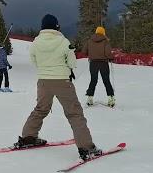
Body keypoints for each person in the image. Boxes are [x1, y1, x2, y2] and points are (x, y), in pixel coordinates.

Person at [16, 14, 102, 160]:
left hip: (43, 81)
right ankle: (86, 147)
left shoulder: (36, 42)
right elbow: (72, 63)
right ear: (57, 26)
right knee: (74, 113)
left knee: (40, 109)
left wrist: (45, 69)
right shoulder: (63, 42)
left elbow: (33, 60)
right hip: (62, 81)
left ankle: (28, 137)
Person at [81, 26, 115, 107]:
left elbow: (84, 51)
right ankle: (111, 99)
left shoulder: (90, 40)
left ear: (96, 32)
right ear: (103, 32)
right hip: (103, 63)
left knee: (93, 80)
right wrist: (110, 58)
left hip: (93, 63)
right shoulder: (105, 41)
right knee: (106, 81)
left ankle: (90, 99)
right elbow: (108, 53)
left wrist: (91, 54)